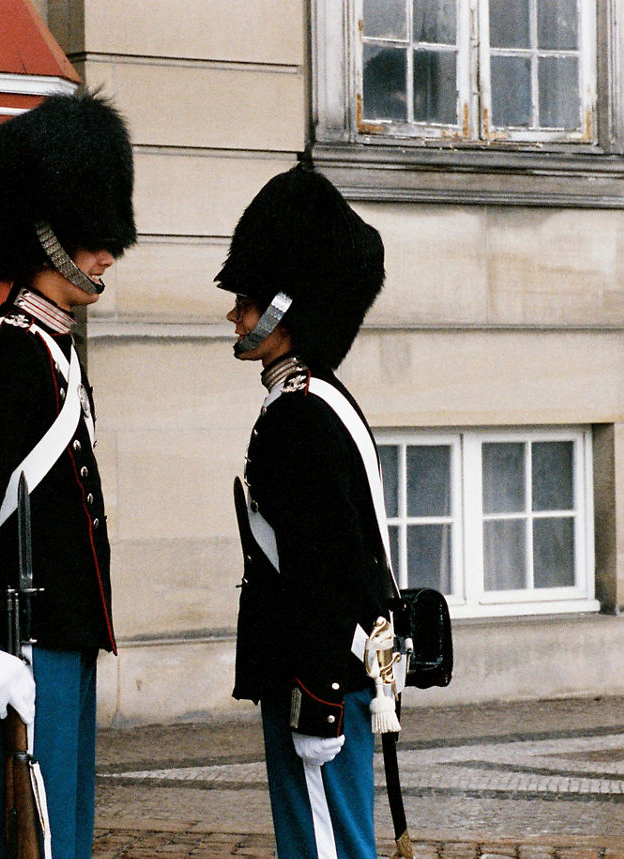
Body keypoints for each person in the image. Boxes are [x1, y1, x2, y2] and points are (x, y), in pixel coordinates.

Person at [0, 90, 135, 859]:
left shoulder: (56, 347)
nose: (109, 252)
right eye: (94, 237)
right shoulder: (11, 351)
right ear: (49, 237)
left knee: (60, 839)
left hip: (62, 636)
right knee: (28, 843)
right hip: (24, 641)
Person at [218, 164, 397, 859]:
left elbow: (325, 566)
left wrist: (316, 695)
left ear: (284, 308)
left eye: (246, 298)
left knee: (326, 847)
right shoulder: (316, 399)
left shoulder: (298, 416)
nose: (235, 314)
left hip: (317, 676)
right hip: (325, 672)